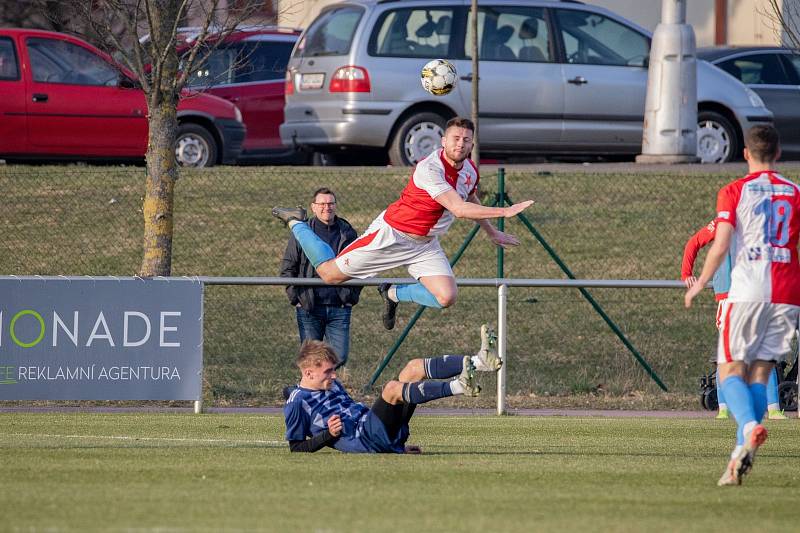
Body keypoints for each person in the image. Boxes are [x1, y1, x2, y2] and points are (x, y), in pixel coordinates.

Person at [273, 117, 533, 330]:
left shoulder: (469, 170)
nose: (460, 143)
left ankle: (392, 293)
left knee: (446, 296)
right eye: (455, 138)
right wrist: (505, 211)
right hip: (393, 235)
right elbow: (458, 208)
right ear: (443, 141)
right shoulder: (430, 168)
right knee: (329, 275)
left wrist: (491, 231)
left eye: (466, 140)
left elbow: (469, 194)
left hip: (425, 244)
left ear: (472, 143)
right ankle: (296, 222)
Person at [685, 124, 800, 486]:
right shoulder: (796, 192)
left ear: (746, 153)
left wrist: (700, 282)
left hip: (748, 291)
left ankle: (750, 426)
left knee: (729, 372)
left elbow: (719, 246)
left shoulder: (734, 191)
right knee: (761, 373)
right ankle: (738, 457)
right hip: (786, 296)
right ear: (779, 154)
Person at [284, 324, 501, 453]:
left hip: (374, 428)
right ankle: (459, 386)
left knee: (413, 368)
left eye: (334, 370)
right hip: (365, 438)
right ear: (308, 373)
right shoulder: (296, 403)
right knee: (391, 389)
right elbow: (296, 447)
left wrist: (396, 447)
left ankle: (479, 361)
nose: (334, 375)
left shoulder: (332, 385)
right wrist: (328, 435)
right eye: (328, 371)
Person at [682, 220, 788, 420]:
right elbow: (694, 242)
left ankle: (773, 409)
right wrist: (686, 273)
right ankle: (723, 409)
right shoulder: (722, 222)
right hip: (728, 297)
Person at [280, 187, 361, 367]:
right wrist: (296, 299)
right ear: (313, 207)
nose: (327, 207)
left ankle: (321, 388)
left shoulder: (347, 233)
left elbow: (359, 266)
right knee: (311, 359)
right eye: (322, 204)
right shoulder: (302, 232)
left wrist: (350, 297)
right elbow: (288, 267)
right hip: (309, 307)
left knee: (339, 357)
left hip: (339, 306)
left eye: (331, 203)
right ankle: (310, 392)